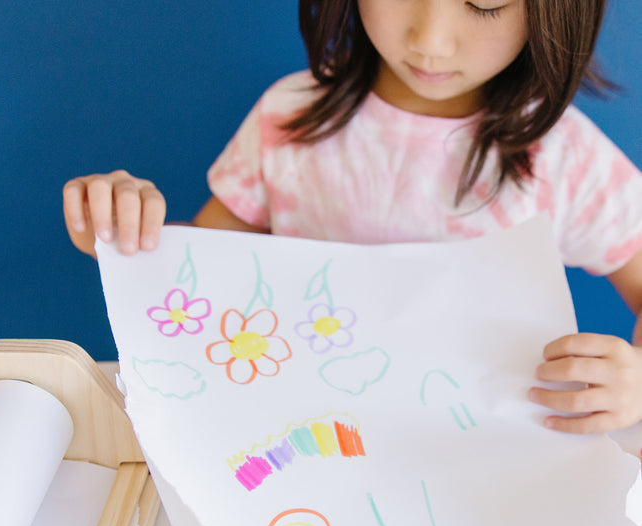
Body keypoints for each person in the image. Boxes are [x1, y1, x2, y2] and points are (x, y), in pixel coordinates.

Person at [63, 0, 642, 435]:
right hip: (304, 443)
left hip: (488, 462)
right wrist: (124, 230)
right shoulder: (289, 118)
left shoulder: (565, 157)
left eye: (485, 2)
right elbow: (197, 275)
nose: (431, 40)